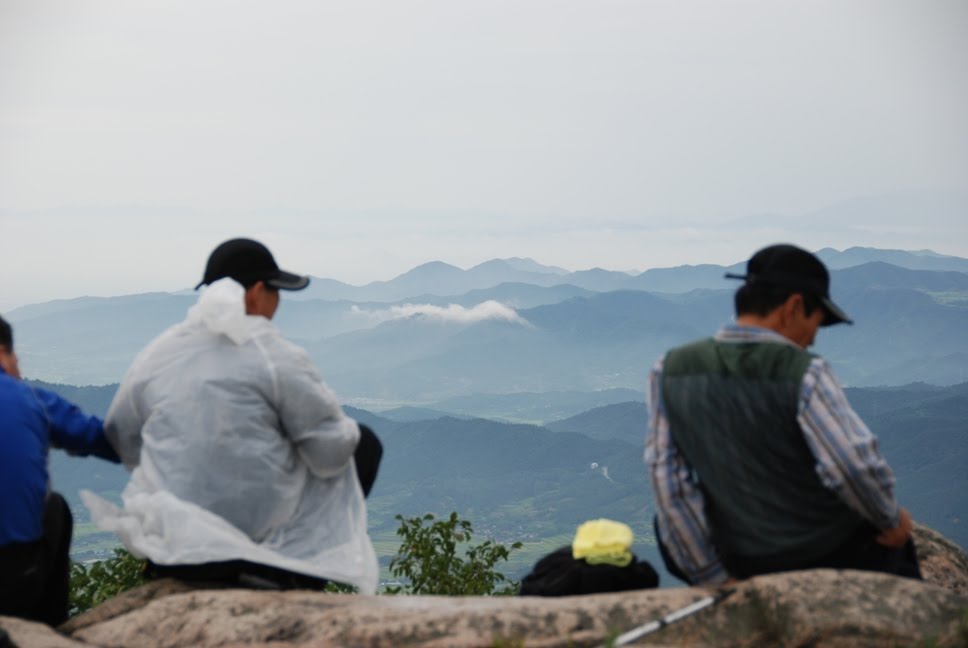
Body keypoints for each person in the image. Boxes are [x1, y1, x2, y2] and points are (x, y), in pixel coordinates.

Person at [85, 238, 382, 593]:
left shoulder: (159, 352)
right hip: (253, 549)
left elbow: (122, 437)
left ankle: (178, 570)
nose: (279, 301)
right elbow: (332, 452)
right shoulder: (274, 354)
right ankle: (289, 573)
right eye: (276, 291)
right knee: (364, 444)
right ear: (257, 293)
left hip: (174, 549)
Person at [645, 244, 920, 586]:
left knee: (664, 524)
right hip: (821, 554)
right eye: (817, 322)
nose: (813, 339)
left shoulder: (668, 369)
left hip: (735, 557)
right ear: (794, 307)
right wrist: (891, 521)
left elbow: (668, 482)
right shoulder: (806, 372)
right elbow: (852, 465)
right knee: (897, 546)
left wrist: (713, 577)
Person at [0, 315, 120, 625]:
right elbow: (103, 438)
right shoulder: (30, 400)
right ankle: (50, 628)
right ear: (3, 353)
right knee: (55, 508)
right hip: (13, 580)